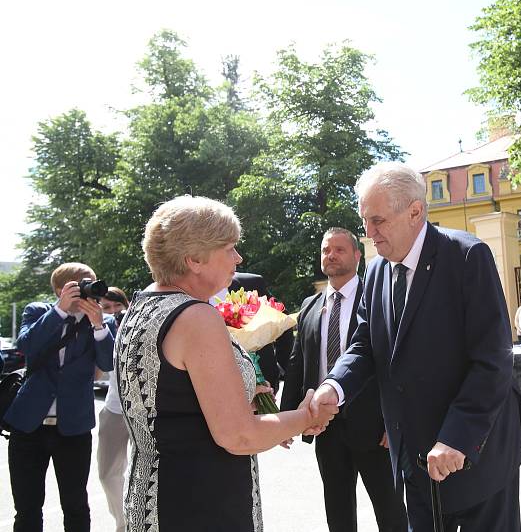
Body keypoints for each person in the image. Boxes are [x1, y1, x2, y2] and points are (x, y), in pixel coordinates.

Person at [310, 162, 521, 532]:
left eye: (377, 220)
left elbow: (492, 361)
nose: (368, 232)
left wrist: (457, 437)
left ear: (415, 211)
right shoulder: (376, 272)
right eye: (364, 220)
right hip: (414, 461)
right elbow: (365, 343)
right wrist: (335, 385)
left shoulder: (467, 257)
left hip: (475, 454)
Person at [117, 195, 337, 532]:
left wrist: (257, 406)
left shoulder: (142, 306)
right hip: (201, 503)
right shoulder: (196, 317)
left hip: (152, 496)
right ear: (194, 259)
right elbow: (238, 436)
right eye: (229, 247)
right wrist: (307, 415)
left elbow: (177, 404)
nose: (238, 257)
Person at [281, 227, 407, 532]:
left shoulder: (379, 297)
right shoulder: (310, 307)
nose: (331, 255)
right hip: (325, 428)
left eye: (339, 249)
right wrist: (285, 418)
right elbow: (298, 364)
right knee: (337, 513)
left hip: (376, 428)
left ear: (357, 256)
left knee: (391, 512)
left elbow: (397, 362)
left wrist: (397, 420)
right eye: (326, 250)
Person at [4, 263, 116, 532]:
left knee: (76, 504)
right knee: (27, 507)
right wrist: (59, 311)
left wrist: (98, 326)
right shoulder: (38, 312)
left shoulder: (103, 321)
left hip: (73, 427)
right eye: (80, 285)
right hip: (28, 426)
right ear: (59, 289)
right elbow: (26, 345)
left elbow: (107, 363)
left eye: (90, 283)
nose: (88, 290)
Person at [96, 286, 130, 532]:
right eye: (106, 307)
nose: (113, 311)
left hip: (147, 409)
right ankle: (123, 523)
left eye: (117, 305)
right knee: (108, 474)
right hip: (114, 408)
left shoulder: (138, 322)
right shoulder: (99, 330)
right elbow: (104, 364)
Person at [229, 271, 293, 394]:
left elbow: (282, 320)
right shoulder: (187, 290)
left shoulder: (251, 283)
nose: (238, 258)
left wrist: (283, 366)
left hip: (265, 382)